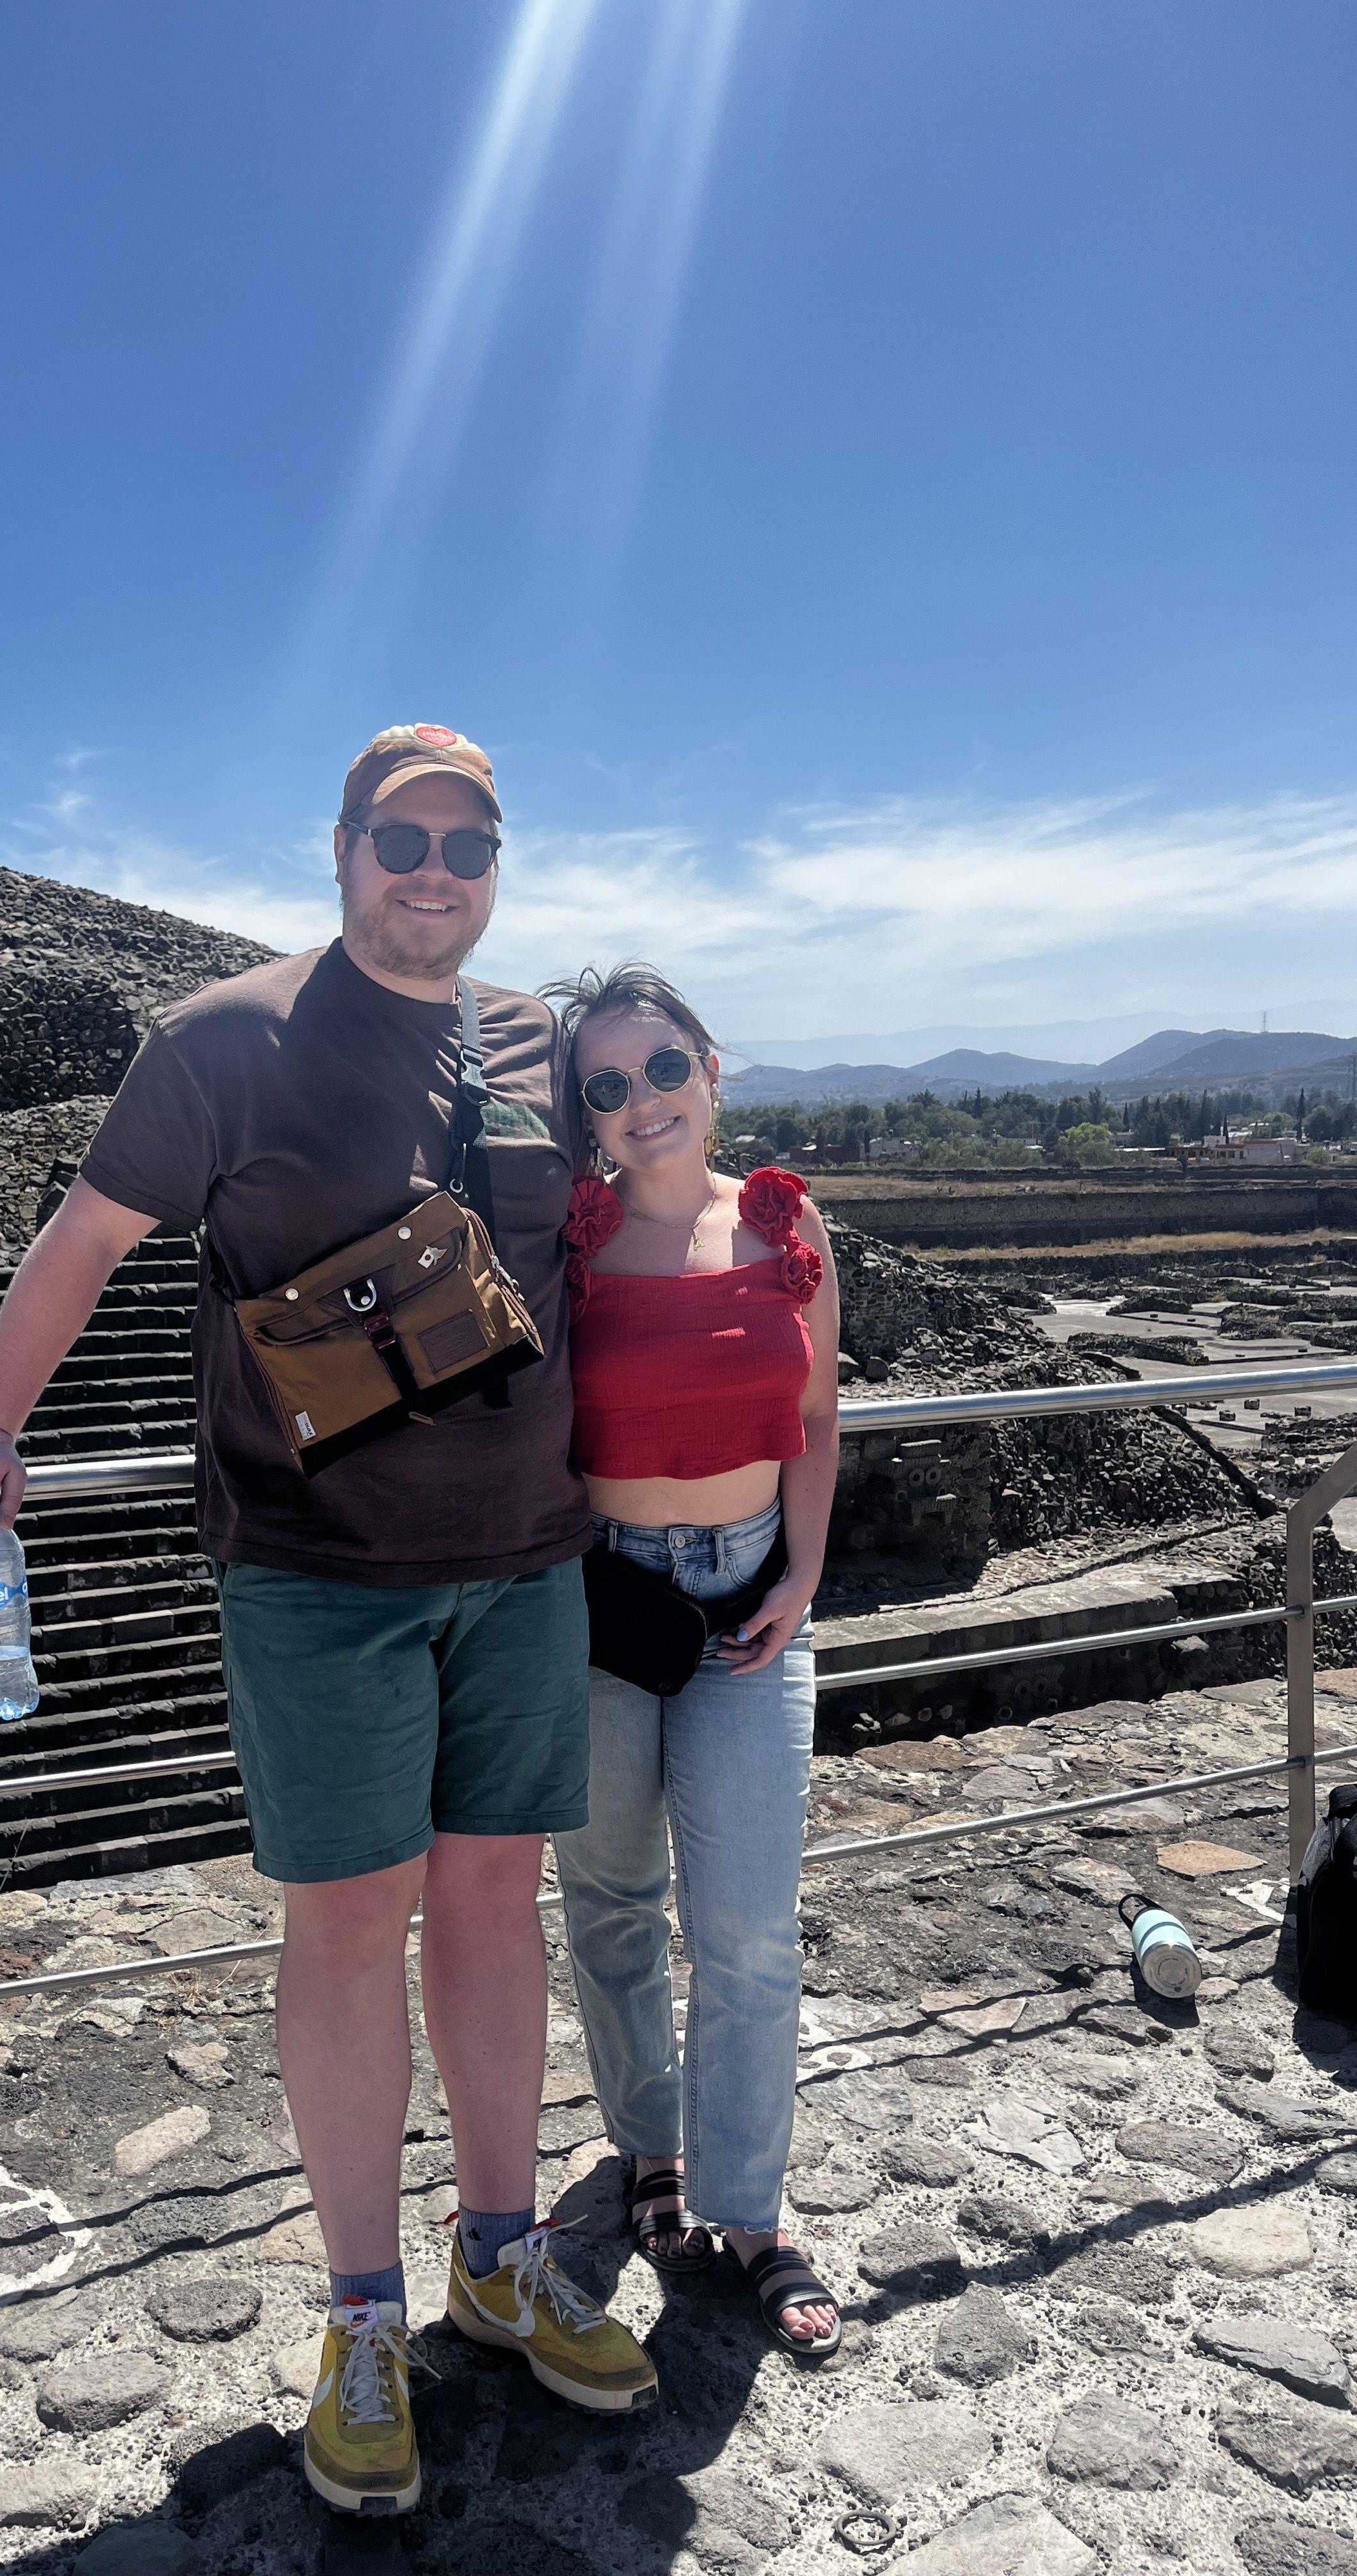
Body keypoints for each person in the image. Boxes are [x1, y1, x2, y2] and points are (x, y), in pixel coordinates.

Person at [0, 726, 656, 2520]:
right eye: (402, 837)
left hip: (529, 1561)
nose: (435, 871)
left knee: (493, 1913)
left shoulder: (537, 1046)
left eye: (468, 845)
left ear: (497, 866)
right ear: (341, 851)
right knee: (343, 1934)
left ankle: (496, 2255)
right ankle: (361, 2319)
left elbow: (614, 1247)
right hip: (319, 1576)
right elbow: (84, 1240)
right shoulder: (223, 1042)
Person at [543, 962, 847, 2359]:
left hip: (745, 1603)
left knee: (745, 1926)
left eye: (662, 1067)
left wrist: (803, 1569)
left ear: (711, 1069)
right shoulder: (569, 1242)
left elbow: (817, 1414)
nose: (642, 1101)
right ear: (586, 1117)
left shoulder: (788, 1224)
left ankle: (753, 2207)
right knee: (609, 1907)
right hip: (606, 1607)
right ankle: (649, 2154)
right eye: (606, 1085)